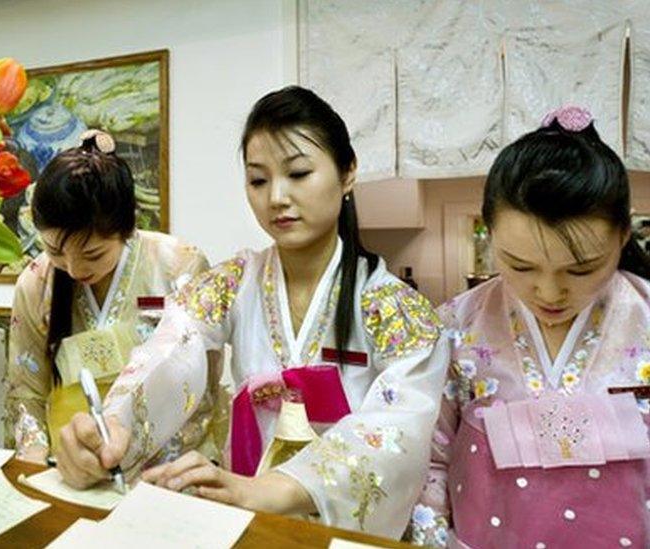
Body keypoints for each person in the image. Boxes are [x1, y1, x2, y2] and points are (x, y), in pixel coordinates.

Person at [57, 86, 449, 538]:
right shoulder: (233, 282)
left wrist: (279, 489)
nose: (277, 197)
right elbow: (172, 348)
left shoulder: (396, 309)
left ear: (348, 174)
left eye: (299, 173)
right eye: (258, 180)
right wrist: (114, 426)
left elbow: (398, 431)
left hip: (336, 528)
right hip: (244, 517)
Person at [408, 106, 650, 548]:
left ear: (623, 235)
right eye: (519, 266)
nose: (549, 292)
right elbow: (431, 459)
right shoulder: (457, 326)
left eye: (581, 270)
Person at [4, 129, 213, 463]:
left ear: (128, 228)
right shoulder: (35, 281)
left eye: (93, 254)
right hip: (72, 463)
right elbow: (26, 390)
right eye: (55, 250)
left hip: (168, 463)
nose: (72, 269)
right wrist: (38, 459)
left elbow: (204, 386)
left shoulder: (179, 266)